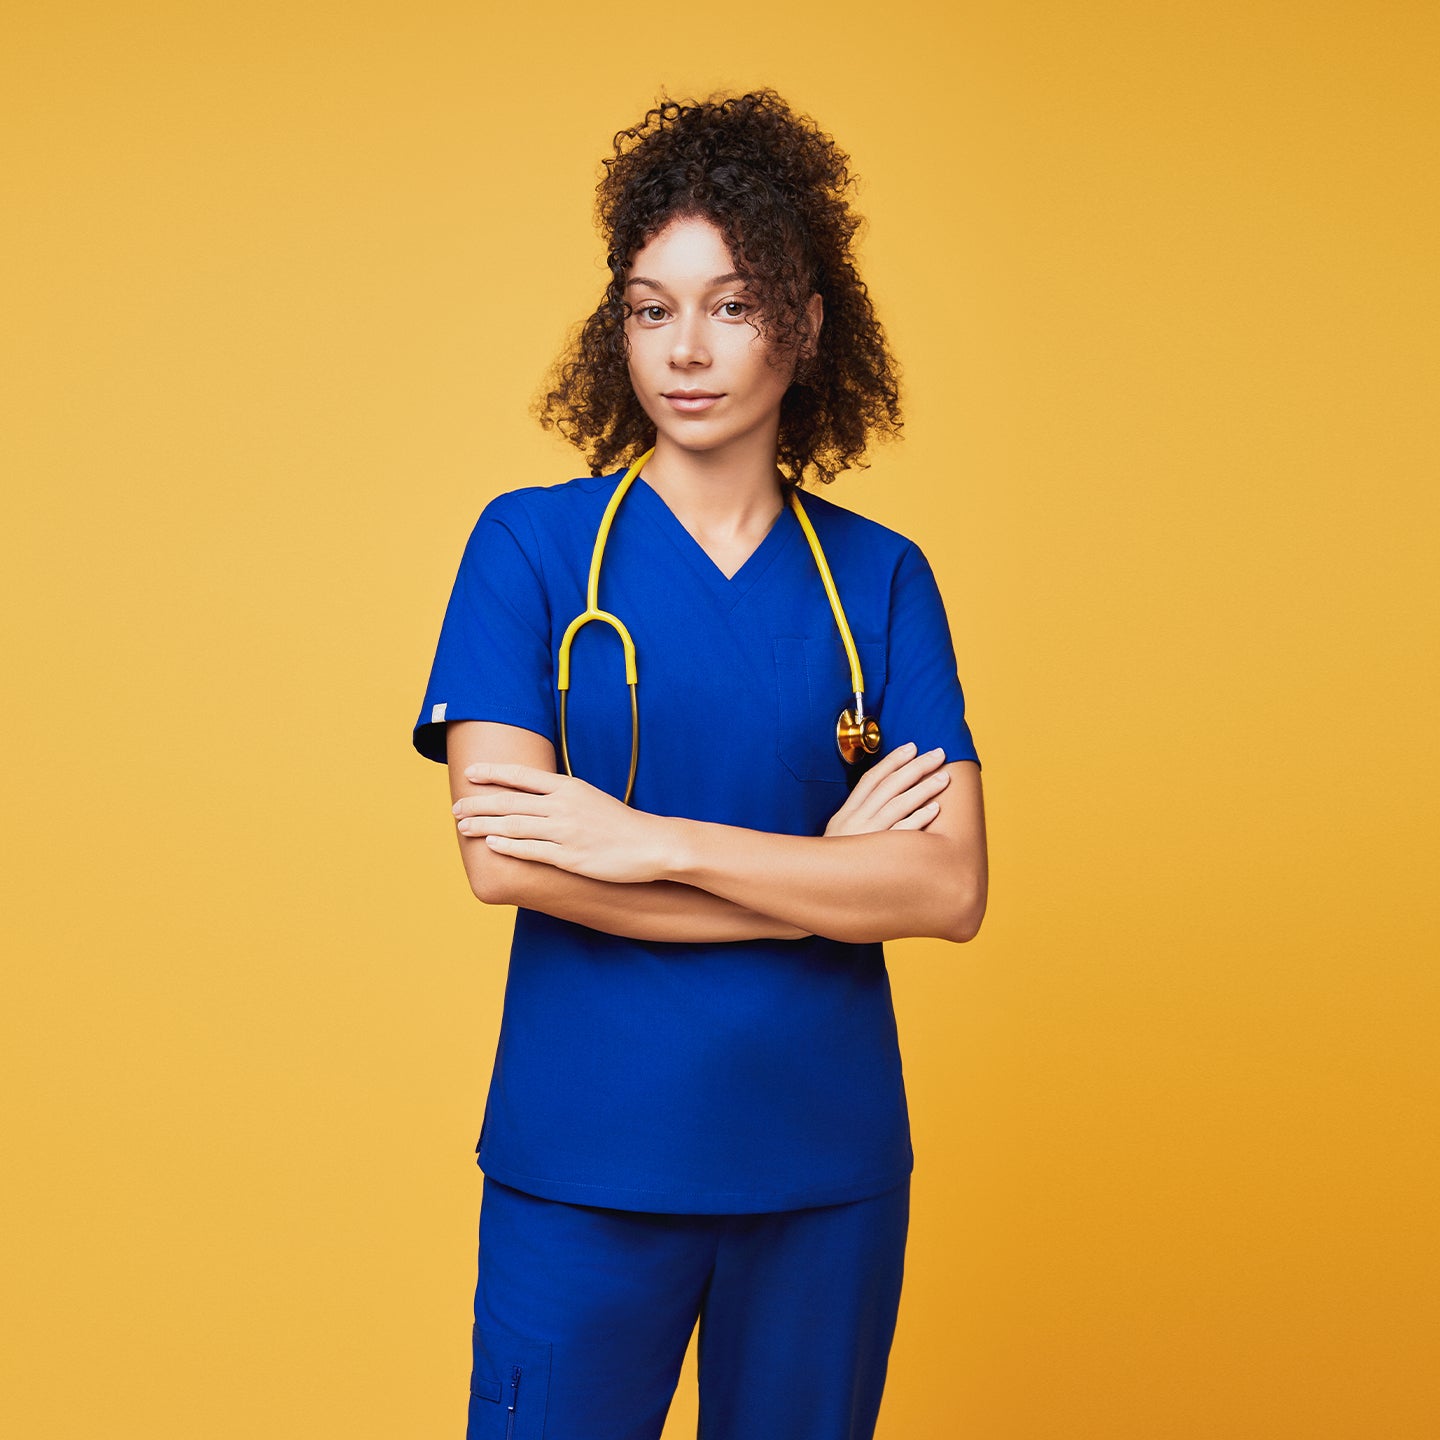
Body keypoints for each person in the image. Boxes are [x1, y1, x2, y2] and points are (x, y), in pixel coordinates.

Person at [413, 89, 988, 1440]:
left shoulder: (880, 581)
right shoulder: (532, 550)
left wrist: (650, 842)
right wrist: (827, 882)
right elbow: (506, 861)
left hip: (823, 1168)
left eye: (733, 306)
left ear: (806, 324)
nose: (685, 349)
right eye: (649, 307)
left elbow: (949, 888)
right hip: (585, 1159)